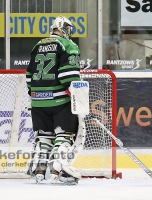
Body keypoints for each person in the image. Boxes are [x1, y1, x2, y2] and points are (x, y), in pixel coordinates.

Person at [26, 15, 83, 185]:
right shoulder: (68, 45)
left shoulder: (38, 44)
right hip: (60, 101)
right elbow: (69, 77)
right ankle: (59, 169)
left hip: (37, 101)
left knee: (44, 136)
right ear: (65, 28)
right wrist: (79, 98)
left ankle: (40, 169)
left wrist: (37, 95)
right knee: (64, 134)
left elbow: (29, 77)